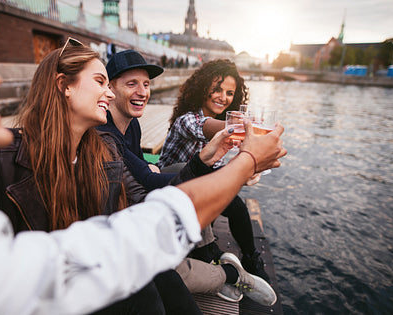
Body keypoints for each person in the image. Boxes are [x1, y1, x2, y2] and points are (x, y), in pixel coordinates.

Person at [0, 14, 286, 315]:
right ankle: (225, 270)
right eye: (103, 81)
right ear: (64, 86)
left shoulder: (103, 148)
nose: (112, 93)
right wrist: (246, 159)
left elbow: (145, 202)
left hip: (98, 265)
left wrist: (211, 159)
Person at [97, 49, 272, 303]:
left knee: (221, 193)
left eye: (146, 84)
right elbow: (144, 175)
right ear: (109, 88)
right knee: (166, 270)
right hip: (134, 218)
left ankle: (233, 254)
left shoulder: (131, 124)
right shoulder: (184, 120)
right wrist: (241, 141)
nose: (143, 91)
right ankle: (226, 271)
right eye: (131, 84)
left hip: (146, 198)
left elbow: (134, 168)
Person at [158, 59, 274, 283]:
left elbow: (217, 169)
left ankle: (250, 258)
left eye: (230, 92)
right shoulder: (186, 119)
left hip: (197, 186)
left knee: (236, 204)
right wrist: (246, 126)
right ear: (203, 88)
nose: (223, 97)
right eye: (217, 89)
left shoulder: (221, 126)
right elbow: (205, 127)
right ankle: (208, 253)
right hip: (169, 183)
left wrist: (246, 169)